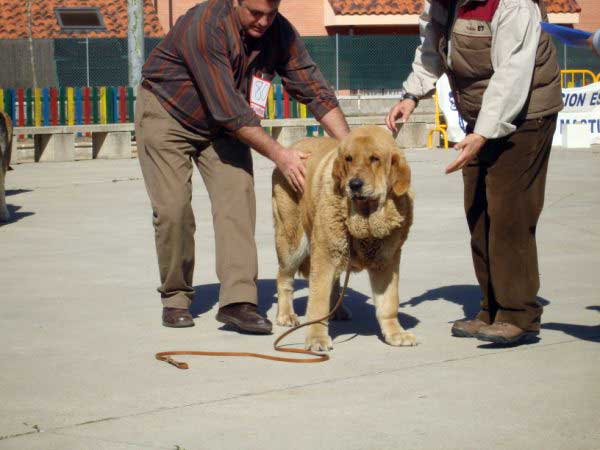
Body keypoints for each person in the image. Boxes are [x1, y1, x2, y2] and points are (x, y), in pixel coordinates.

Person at [136, 0, 350, 333]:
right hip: (170, 114)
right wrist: (280, 154)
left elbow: (312, 87)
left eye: (271, 13)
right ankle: (176, 297)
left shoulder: (277, 30)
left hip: (224, 127)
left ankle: (238, 302)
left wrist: (349, 150)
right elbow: (229, 109)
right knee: (173, 209)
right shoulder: (205, 27)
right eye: (255, 13)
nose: (264, 22)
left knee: (237, 201)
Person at [386, 0, 563, 345]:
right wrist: (411, 95)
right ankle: (492, 307)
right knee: (478, 210)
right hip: (478, 116)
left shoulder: (513, 6)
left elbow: (512, 77)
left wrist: (482, 133)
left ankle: (518, 314)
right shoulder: (442, 4)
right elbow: (431, 50)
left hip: (527, 115)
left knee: (509, 211)